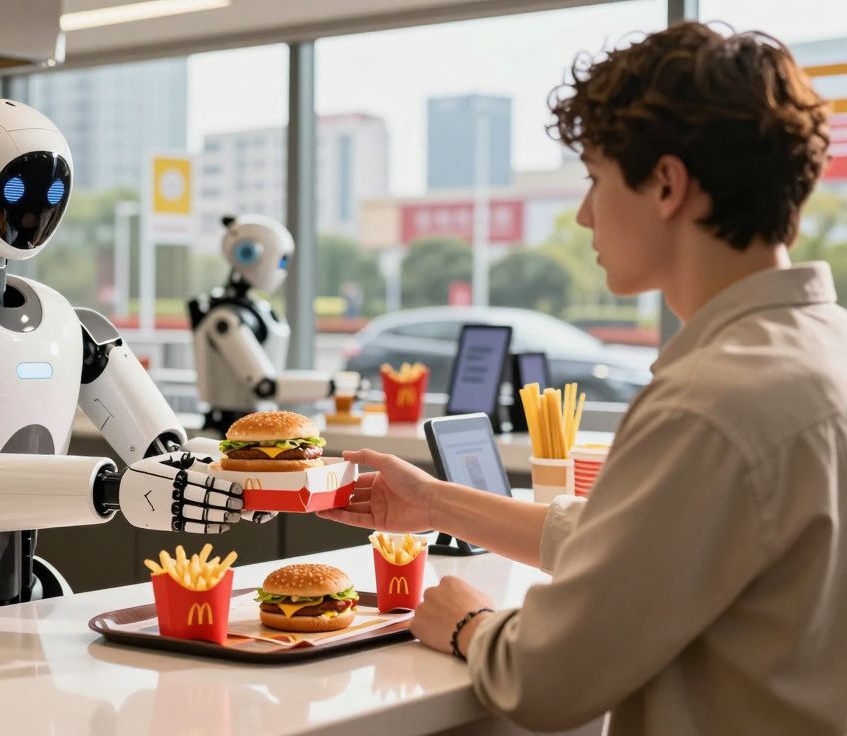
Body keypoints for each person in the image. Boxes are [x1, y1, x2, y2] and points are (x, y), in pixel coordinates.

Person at [320, 22, 845, 735]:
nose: (584, 213)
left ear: (666, 184)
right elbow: (641, 547)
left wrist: (468, 622)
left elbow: (547, 678)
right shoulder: (821, 351)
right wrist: (437, 503)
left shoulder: (712, 405)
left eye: (596, 179)